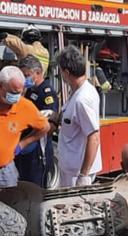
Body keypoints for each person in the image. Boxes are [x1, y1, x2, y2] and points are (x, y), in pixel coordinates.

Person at [56, 45, 101, 188]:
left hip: (76, 173)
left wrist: (84, 175)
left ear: (67, 72)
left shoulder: (82, 99)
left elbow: (93, 136)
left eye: (61, 71)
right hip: (71, 168)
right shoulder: (77, 92)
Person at [15, 55, 58, 187]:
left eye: (26, 75)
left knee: (35, 187)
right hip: (24, 147)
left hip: (39, 149)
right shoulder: (28, 91)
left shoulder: (46, 92)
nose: (24, 78)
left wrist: (30, 140)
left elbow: (50, 124)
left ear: (38, 73)